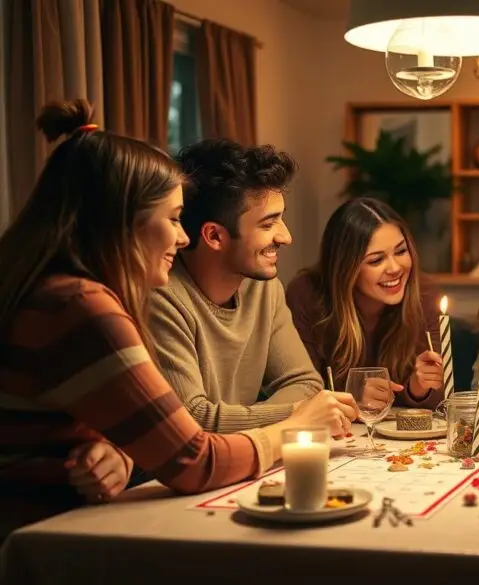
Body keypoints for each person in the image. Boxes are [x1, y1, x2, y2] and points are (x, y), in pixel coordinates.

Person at [0, 100, 349, 537]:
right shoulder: (81, 307)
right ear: (124, 223)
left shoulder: (54, 294)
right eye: (173, 218)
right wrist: (294, 428)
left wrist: (112, 451)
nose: (182, 236)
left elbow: (81, 422)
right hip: (32, 543)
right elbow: (194, 461)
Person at [149, 139, 360, 433]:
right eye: (268, 224)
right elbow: (193, 419)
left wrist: (282, 415)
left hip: (242, 458)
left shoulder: (263, 288)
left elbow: (305, 382)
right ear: (214, 236)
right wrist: (299, 416)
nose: (286, 237)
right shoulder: (162, 296)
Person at [286, 198, 443, 407]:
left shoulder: (423, 293)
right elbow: (297, 393)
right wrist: (353, 397)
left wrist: (418, 387)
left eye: (401, 251)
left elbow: (439, 402)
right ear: (345, 268)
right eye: (376, 260)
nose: (395, 268)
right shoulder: (307, 294)